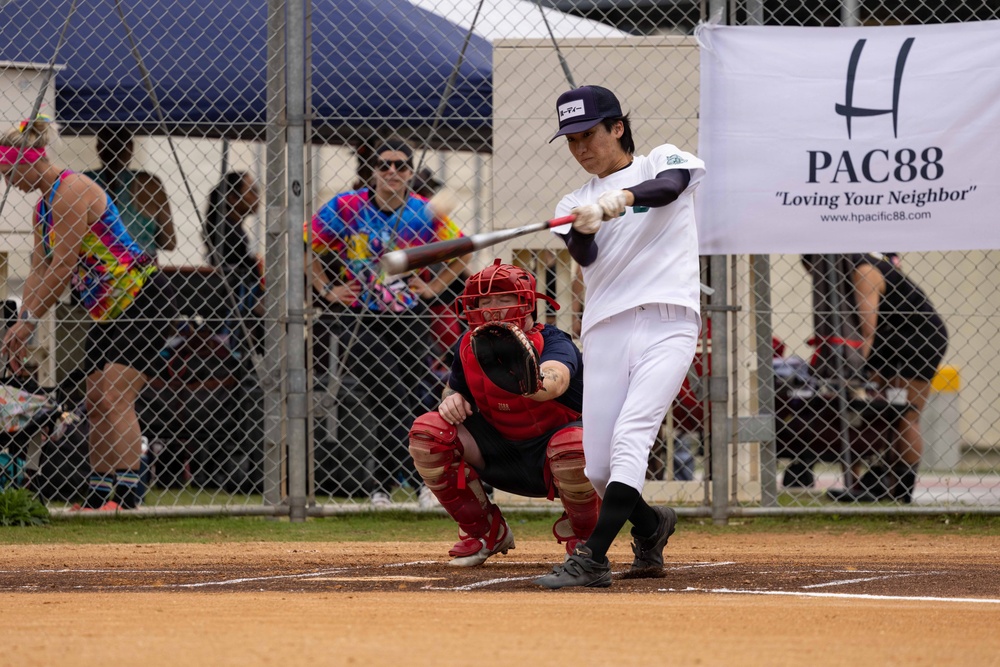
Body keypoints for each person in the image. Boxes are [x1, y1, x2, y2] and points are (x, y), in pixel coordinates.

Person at [533, 85, 705, 589]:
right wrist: (584, 227)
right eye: (572, 140)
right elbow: (585, 257)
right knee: (600, 470)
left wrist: (622, 199)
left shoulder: (660, 161)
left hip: (669, 321)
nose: (581, 148)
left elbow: (670, 187)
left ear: (618, 128)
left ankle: (592, 559)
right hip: (606, 328)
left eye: (589, 135)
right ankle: (651, 527)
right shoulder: (573, 201)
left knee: (633, 436)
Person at [0, 116, 176, 510]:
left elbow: (63, 268)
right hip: (107, 311)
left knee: (114, 395)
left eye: (10, 173)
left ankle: (127, 500)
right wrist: (21, 321)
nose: (9, 183)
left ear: (30, 161)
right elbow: (40, 269)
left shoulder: (72, 190)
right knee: (94, 399)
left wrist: (29, 324)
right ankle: (98, 498)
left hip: (142, 298)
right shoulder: (43, 208)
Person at [305, 137, 467, 506]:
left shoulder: (422, 211)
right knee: (388, 396)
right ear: (373, 171)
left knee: (409, 396)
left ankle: (401, 485)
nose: (392, 171)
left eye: (401, 165)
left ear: (410, 172)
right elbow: (306, 243)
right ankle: (404, 483)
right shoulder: (347, 207)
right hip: (361, 316)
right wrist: (326, 288)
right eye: (384, 165)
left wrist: (433, 287)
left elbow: (462, 251)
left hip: (409, 316)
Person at [408, 259, 600, 565]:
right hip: (498, 454)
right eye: (485, 302)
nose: (492, 309)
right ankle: (485, 532)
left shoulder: (554, 341)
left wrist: (527, 377)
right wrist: (451, 399)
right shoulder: (468, 345)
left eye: (503, 299)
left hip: (553, 460)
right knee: (429, 431)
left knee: (571, 444)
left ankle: (587, 541)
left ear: (527, 303)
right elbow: (453, 389)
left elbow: (556, 380)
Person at [809, 253, 948, 504]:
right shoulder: (841, 278)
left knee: (905, 413)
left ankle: (901, 490)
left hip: (918, 336)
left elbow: (866, 332)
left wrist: (854, 373)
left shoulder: (864, 272)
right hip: (886, 337)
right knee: (871, 412)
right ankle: (869, 482)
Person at [83, 126, 176, 261]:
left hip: (96, 265)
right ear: (130, 148)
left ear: (98, 148)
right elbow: (169, 242)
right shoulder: (149, 184)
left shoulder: (83, 182)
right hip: (141, 266)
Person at [204, 171, 264, 351]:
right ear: (232, 198)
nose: (257, 197)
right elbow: (245, 269)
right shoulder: (228, 233)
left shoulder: (231, 229)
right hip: (234, 304)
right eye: (251, 191)